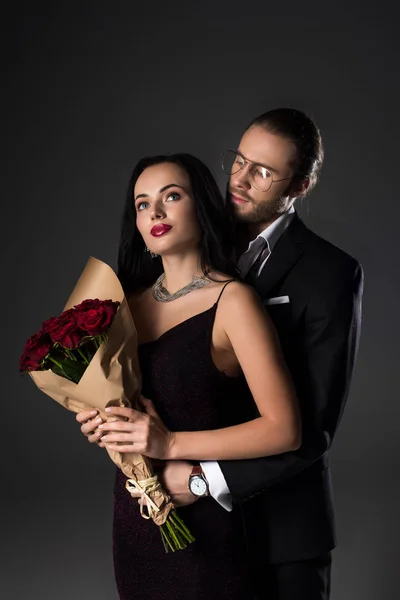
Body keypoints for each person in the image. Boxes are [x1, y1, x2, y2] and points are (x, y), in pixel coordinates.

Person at [97, 108, 363, 600]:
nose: (239, 180)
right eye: (238, 161)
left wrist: (199, 478)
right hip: (165, 513)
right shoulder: (175, 263)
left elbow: (312, 427)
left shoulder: (328, 274)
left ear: (300, 186)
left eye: (263, 172)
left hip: (281, 524)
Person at [77, 152, 302, 599]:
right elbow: (123, 404)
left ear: (200, 206)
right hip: (137, 514)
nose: (155, 212)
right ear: (137, 224)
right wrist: (102, 423)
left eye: (171, 196)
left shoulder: (234, 302)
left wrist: (172, 444)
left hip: (202, 517)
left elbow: (285, 429)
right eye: (142, 204)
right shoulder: (124, 306)